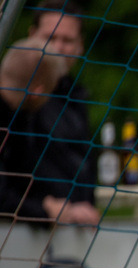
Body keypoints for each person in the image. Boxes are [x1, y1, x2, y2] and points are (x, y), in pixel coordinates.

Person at [0, 2, 100, 227]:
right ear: (32, 37)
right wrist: (44, 210)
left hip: (68, 236)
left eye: (67, 40)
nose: (58, 47)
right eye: (50, 38)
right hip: (20, 234)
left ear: (80, 45)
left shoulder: (77, 97)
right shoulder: (17, 104)